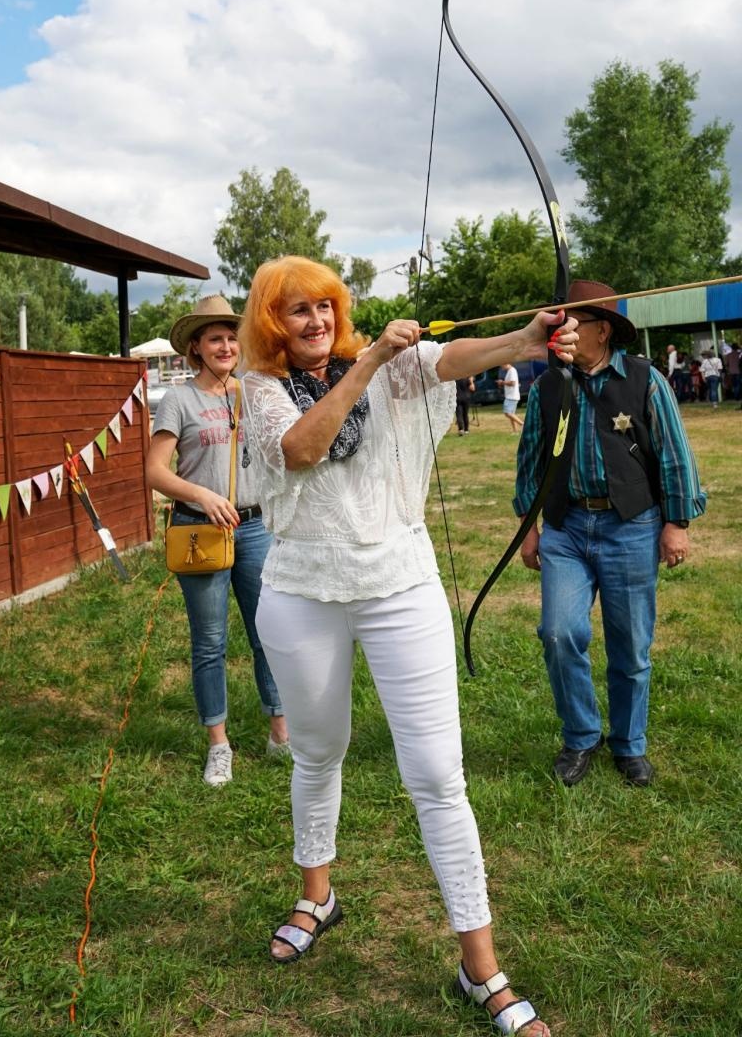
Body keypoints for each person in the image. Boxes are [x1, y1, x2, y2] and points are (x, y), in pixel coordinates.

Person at [238, 256, 579, 1036]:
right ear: (272, 324)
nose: (317, 321)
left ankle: (479, 966)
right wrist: (369, 363)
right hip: (300, 590)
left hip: (400, 585)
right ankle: (316, 894)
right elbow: (300, 448)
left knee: (436, 775)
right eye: (297, 312)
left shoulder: (396, 366)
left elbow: (457, 357)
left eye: (325, 307)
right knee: (318, 752)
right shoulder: (261, 390)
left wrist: (526, 339)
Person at [516, 280, 706, 790]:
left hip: (631, 526)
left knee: (630, 644)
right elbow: (531, 459)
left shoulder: (646, 379)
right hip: (565, 528)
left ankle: (628, 744)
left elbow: (673, 454)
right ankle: (581, 735)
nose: (562, 333)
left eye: (571, 324)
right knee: (559, 633)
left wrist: (676, 523)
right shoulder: (546, 386)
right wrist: (528, 528)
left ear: (600, 331)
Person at [146, 295, 290, 786]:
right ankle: (219, 745)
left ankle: (280, 732)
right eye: (215, 339)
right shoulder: (179, 400)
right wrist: (203, 496)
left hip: (255, 528)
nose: (226, 346)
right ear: (196, 348)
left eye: (232, 337)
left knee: (268, 632)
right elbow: (154, 472)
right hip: (199, 530)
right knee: (210, 642)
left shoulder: (254, 392)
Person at [496, 362, 523, 433]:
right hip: (511, 396)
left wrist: (502, 382)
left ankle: (522, 425)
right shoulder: (510, 371)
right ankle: (515, 431)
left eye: (502, 365)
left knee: (507, 413)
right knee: (511, 414)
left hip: (511, 396)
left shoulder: (512, 371)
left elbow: (513, 383)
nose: (502, 367)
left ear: (506, 363)